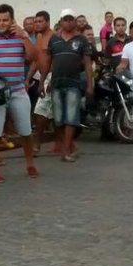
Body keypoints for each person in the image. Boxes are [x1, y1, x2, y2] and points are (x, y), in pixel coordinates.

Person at [0, 3, 40, 182]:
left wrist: (24, 36)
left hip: (18, 90)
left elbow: (33, 57)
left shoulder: (21, 36)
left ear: (12, 20)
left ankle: (30, 164)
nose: (1, 23)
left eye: (5, 20)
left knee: (25, 130)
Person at [47, 9, 95, 161]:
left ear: (75, 21)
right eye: (65, 20)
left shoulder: (82, 40)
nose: (68, 22)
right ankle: (68, 147)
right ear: (61, 21)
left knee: (71, 118)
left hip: (74, 83)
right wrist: (43, 81)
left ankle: (66, 151)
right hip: (56, 83)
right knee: (58, 119)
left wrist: (90, 85)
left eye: (70, 19)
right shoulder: (54, 39)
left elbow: (87, 64)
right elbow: (48, 62)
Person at [29, 11, 56, 154]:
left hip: (51, 76)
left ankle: (36, 144)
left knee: (41, 110)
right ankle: (63, 144)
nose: (37, 24)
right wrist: (27, 78)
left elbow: (56, 60)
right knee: (48, 112)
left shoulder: (54, 37)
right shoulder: (38, 37)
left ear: (47, 22)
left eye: (40, 21)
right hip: (41, 76)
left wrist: (51, 80)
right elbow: (36, 59)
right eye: (36, 21)